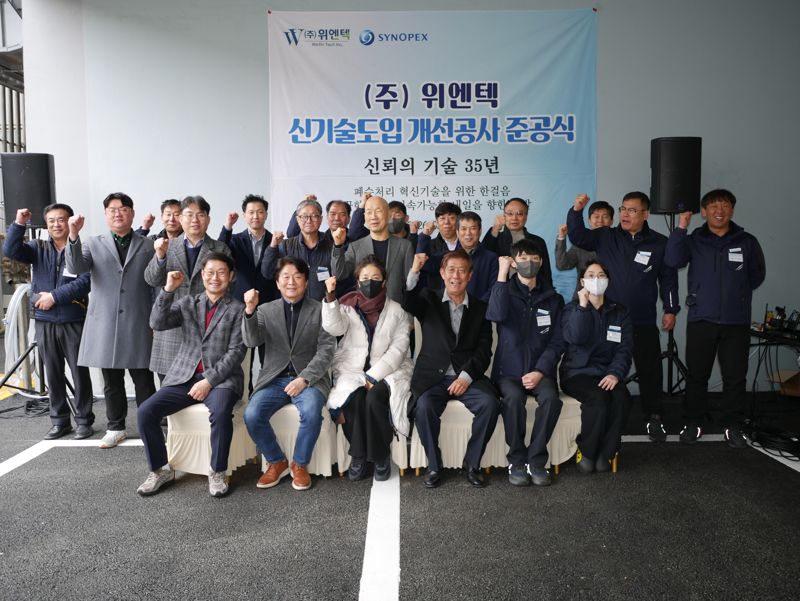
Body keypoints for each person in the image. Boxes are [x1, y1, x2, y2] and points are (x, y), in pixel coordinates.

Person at [567, 192, 679, 442]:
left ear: (645, 214)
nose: (625, 214)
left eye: (632, 210)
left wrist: (671, 309)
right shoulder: (606, 236)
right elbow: (578, 236)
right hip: (609, 319)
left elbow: (668, 278)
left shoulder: (659, 243)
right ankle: (605, 417)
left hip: (643, 319)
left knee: (650, 369)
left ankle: (654, 417)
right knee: (606, 366)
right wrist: (576, 211)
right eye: (623, 209)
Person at [136, 253, 246, 497]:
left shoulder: (238, 309)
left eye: (221, 272)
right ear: (202, 275)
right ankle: (160, 470)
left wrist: (209, 381)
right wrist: (168, 290)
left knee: (220, 412)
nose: (215, 277)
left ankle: (217, 471)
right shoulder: (188, 302)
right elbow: (157, 322)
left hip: (221, 380)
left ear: (230, 276)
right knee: (145, 412)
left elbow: (237, 351)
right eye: (210, 272)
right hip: (184, 376)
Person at [664, 189, 766, 447]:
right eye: (713, 206)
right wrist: (681, 228)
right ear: (704, 211)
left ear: (732, 210)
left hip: (736, 321)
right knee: (697, 375)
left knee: (735, 377)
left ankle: (733, 426)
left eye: (725, 205)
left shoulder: (747, 241)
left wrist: (737, 295)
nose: (719, 211)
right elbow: (673, 260)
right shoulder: (694, 240)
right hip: (702, 318)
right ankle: (694, 422)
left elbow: (757, 275)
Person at [65, 192, 157, 448]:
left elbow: (155, 284)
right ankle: (116, 427)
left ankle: (149, 426)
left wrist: (155, 319)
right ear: (106, 214)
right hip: (106, 323)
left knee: (143, 380)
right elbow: (75, 268)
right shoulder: (92, 243)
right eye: (113, 209)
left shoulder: (148, 244)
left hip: (139, 320)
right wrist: (73, 235)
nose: (118, 213)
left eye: (123, 208)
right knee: (111, 380)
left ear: (132, 213)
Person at [403, 249, 499, 488]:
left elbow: (484, 351)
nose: (456, 276)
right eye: (451, 270)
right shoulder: (428, 298)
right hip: (432, 377)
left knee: (490, 403)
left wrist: (466, 377)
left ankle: (472, 463)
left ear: (470, 275)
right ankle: (434, 465)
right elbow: (408, 301)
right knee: (424, 407)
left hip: (466, 376)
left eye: (462, 271)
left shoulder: (480, 308)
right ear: (442, 273)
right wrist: (415, 271)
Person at [242, 257, 335, 491]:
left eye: (297, 276)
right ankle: (276, 461)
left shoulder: (319, 309)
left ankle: (300, 464)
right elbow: (251, 340)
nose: (291, 282)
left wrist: (304, 378)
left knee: (312, 412)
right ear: (277, 282)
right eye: (286, 276)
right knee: (252, 414)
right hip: (274, 379)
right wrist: (250, 310)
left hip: (309, 379)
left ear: (306, 282)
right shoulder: (265, 310)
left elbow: (326, 349)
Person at [4, 205, 93, 440]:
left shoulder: (81, 249)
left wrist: (54, 297)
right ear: (46, 224)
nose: (56, 224)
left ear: (70, 222)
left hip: (73, 319)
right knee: (52, 374)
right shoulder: (38, 247)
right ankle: (60, 421)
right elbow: (10, 250)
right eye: (51, 220)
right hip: (45, 321)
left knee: (79, 373)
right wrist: (19, 224)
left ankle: (84, 420)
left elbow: (84, 282)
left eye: (61, 220)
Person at [321, 257, 413, 481]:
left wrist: (373, 376)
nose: (369, 282)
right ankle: (359, 455)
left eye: (375, 278)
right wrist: (330, 297)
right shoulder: (347, 307)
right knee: (354, 398)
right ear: (357, 282)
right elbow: (333, 327)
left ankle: (380, 456)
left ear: (384, 282)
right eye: (364, 278)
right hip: (353, 369)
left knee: (374, 399)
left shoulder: (397, 311)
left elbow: (398, 349)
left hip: (390, 371)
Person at [486, 240, 566, 486]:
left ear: (541, 262)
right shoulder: (503, 290)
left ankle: (536, 460)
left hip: (540, 371)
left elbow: (558, 341)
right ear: (513, 262)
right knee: (513, 399)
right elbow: (495, 314)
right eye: (522, 258)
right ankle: (517, 459)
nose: (528, 263)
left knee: (551, 399)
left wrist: (540, 371)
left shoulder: (553, 298)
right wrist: (502, 275)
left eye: (533, 258)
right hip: (508, 372)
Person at [144, 195, 232, 381]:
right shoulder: (167, 246)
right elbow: (152, 279)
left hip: (207, 334)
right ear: (181, 218)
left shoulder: (220, 249)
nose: (195, 220)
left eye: (200, 215)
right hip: (170, 332)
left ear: (208, 219)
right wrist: (160, 256)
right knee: (169, 391)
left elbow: (227, 290)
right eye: (189, 215)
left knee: (204, 390)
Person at [560, 261, 633, 473]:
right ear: (582, 281)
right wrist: (583, 307)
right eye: (590, 275)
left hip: (607, 373)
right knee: (598, 399)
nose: (596, 279)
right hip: (577, 373)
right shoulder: (572, 309)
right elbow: (575, 337)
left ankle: (607, 452)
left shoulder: (620, 312)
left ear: (607, 280)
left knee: (622, 398)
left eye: (601, 275)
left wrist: (615, 373)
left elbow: (625, 348)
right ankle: (587, 451)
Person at [331, 195, 414, 303]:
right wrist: (338, 246)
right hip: (364, 308)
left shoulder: (405, 246)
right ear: (365, 216)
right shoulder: (355, 247)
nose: (373, 216)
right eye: (369, 212)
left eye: (378, 211)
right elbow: (339, 274)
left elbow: (409, 284)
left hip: (395, 308)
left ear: (388, 215)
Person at [262, 198, 338, 301]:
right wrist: (273, 246)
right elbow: (268, 272)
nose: (309, 220)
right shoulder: (286, 246)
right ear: (297, 220)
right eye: (304, 216)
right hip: (293, 305)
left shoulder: (332, 246)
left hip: (322, 305)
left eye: (314, 216)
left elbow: (340, 276)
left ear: (320, 219)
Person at [416, 211, 498, 302]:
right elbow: (423, 262)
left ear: (480, 231)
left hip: (480, 309)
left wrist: (477, 307)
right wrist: (425, 235)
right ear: (457, 232)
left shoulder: (492, 258)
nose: (468, 233)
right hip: (449, 309)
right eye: (463, 229)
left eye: (473, 228)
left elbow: (494, 289)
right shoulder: (447, 256)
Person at [482, 197, 553, 285]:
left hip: (531, 290)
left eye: (519, 214)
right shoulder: (495, 238)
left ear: (526, 216)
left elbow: (546, 273)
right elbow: (482, 258)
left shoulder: (538, 241)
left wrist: (547, 291)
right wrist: (495, 228)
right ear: (504, 216)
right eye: (510, 213)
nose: (514, 218)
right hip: (500, 289)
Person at [556, 200, 614, 300]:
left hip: (610, 299)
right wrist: (561, 238)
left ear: (611, 221)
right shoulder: (581, 242)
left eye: (605, 217)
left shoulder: (617, 244)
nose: (600, 220)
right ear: (589, 220)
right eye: (596, 217)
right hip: (582, 299)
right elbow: (562, 265)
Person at [286, 196, 353, 243]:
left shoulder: (354, 240)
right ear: (327, 217)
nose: (337, 218)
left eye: (342, 214)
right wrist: (304, 207)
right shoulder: (320, 240)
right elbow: (292, 235)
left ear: (349, 219)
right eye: (333, 214)